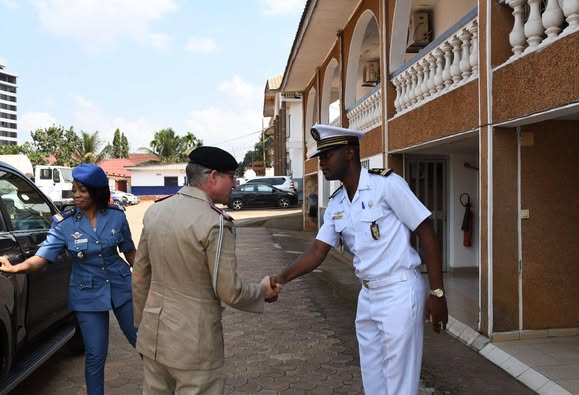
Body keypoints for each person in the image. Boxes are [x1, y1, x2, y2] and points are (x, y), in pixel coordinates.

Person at [270, 124, 449, 395]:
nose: (322, 163)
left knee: (400, 381)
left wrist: (437, 292)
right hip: (367, 296)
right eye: (320, 157)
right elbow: (318, 251)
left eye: (328, 155)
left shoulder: (386, 185)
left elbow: (426, 231)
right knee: (373, 377)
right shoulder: (338, 202)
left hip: (399, 291)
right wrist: (281, 278)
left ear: (350, 153)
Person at [133, 146, 279, 395]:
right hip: (194, 342)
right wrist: (262, 291)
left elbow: (139, 277)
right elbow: (229, 292)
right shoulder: (215, 223)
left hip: (153, 337)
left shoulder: (156, 211)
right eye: (231, 176)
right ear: (212, 177)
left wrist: (141, 324)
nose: (234, 184)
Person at [0, 164, 137, 395]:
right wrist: (16, 268)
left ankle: (162, 386)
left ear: (96, 191)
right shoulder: (65, 224)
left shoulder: (116, 217)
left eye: (82, 190)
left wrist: (150, 278)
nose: (75, 194)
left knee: (141, 341)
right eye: (74, 189)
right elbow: (42, 257)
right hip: (87, 293)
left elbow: (130, 253)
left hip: (121, 285)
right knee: (95, 354)